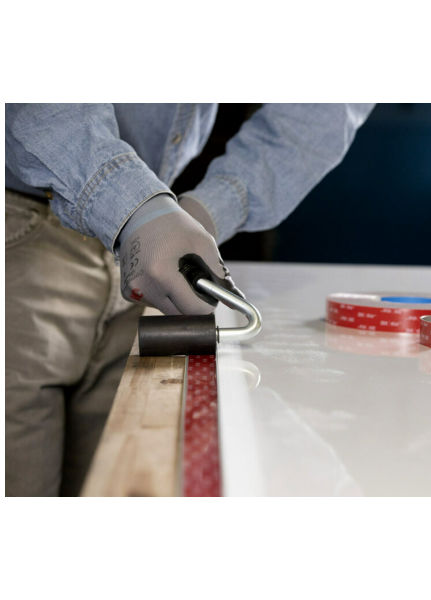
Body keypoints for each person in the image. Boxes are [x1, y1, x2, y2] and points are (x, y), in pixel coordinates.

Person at [5, 103, 375, 496]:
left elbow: (324, 107)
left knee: (120, 484)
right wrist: (132, 205)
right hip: (22, 230)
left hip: (150, 244)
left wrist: (208, 210)